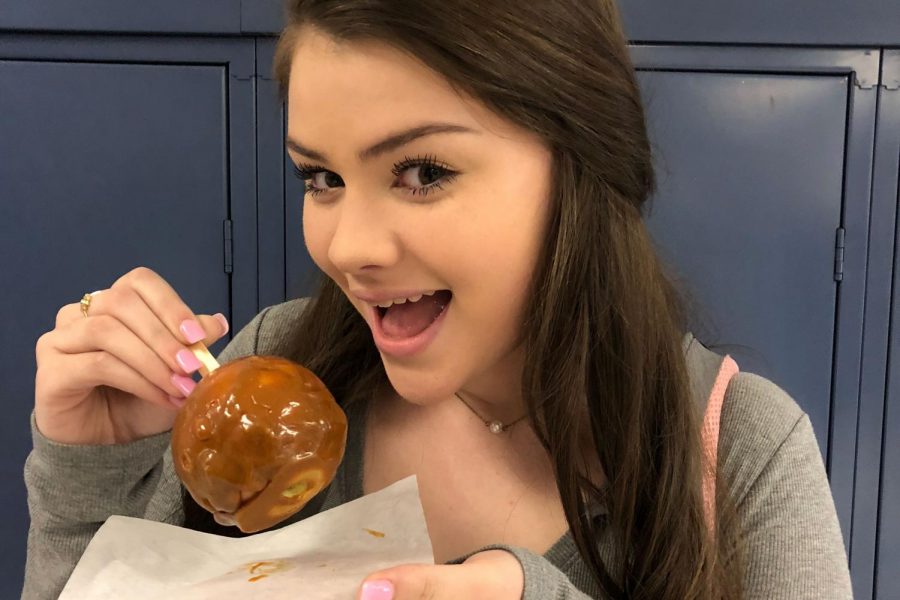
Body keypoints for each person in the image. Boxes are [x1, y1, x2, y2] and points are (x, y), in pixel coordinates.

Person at [23, 1, 853, 599]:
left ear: (581, 164)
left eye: (422, 172)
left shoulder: (742, 456)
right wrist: (91, 474)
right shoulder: (271, 373)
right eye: (322, 178)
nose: (347, 248)